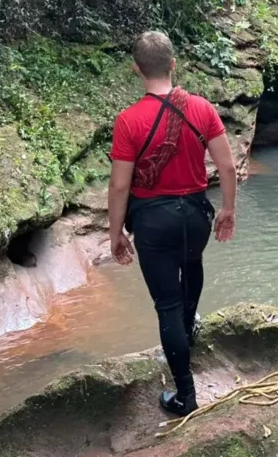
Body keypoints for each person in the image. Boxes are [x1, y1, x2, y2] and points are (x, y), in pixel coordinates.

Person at [108, 31, 237, 416]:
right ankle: (188, 333)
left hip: (153, 221)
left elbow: (119, 186)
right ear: (173, 64)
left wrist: (115, 232)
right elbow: (227, 166)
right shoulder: (201, 108)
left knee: (167, 304)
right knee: (192, 266)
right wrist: (228, 210)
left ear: (136, 69)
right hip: (196, 216)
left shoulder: (128, 121)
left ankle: (186, 395)